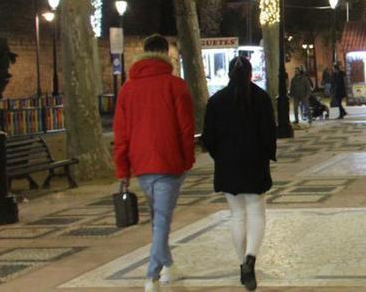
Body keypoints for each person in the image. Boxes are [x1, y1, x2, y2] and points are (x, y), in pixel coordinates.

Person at [112, 34, 195, 291]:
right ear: (166, 53)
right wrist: (187, 160)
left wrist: (123, 169)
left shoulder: (128, 89)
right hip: (169, 162)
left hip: (141, 163)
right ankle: (152, 276)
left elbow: (121, 134)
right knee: (162, 220)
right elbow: (186, 128)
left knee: (158, 218)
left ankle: (168, 264)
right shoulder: (176, 86)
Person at [202, 57, 275, 291]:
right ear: (250, 74)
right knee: (256, 212)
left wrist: (221, 156)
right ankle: (251, 257)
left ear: (228, 74)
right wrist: (266, 155)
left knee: (237, 215)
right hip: (255, 164)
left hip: (228, 165)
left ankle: (242, 262)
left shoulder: (216, 101)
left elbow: (208, 138)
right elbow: (269, 134)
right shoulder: (261, 98)